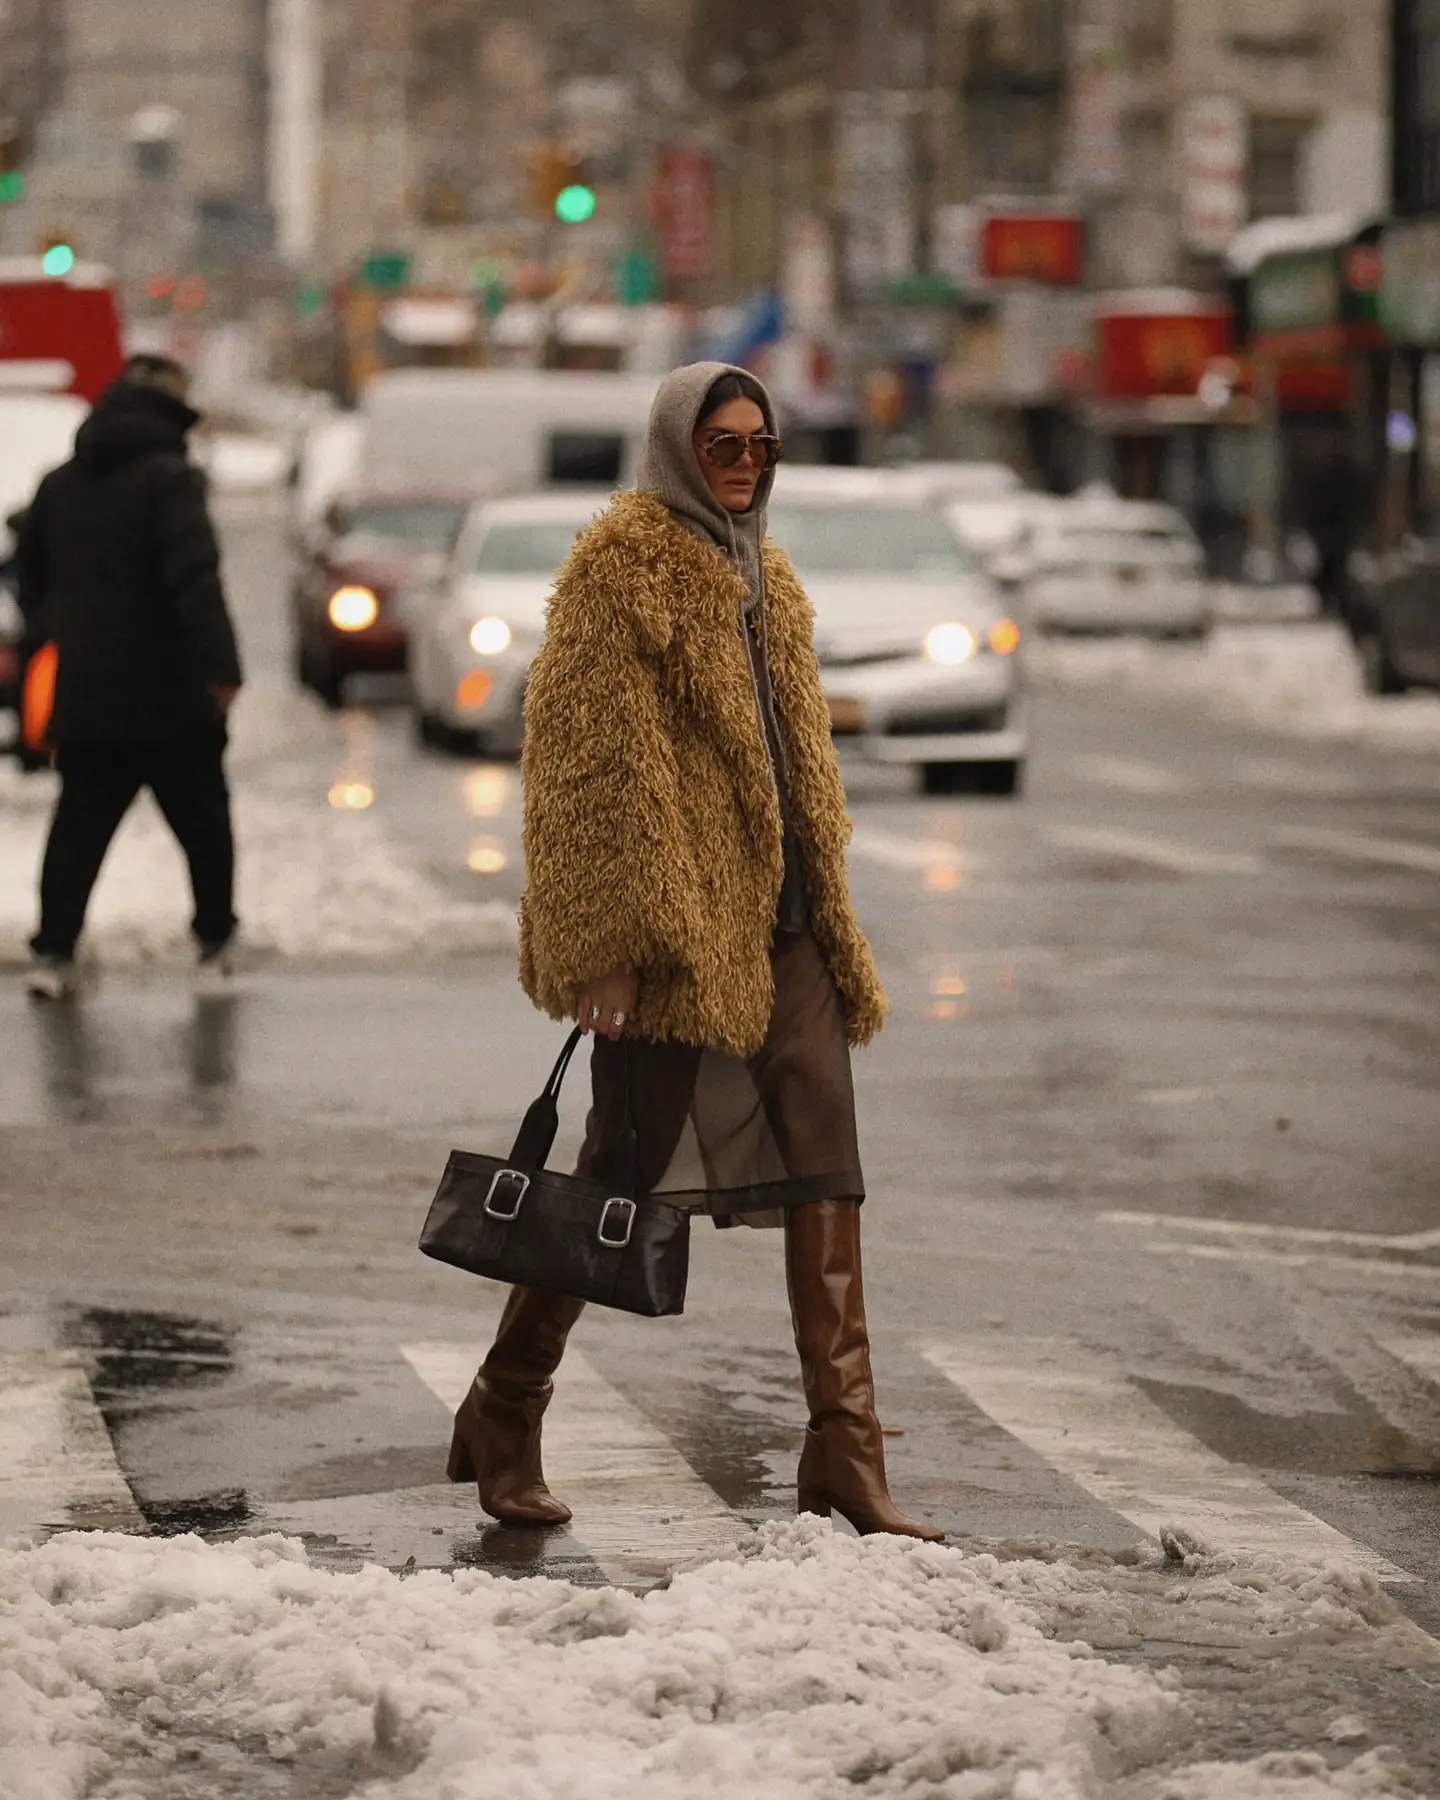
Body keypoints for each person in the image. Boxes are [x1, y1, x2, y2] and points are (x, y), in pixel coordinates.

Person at [445, 362, 943, 1541]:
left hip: (791, 931)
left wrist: (820, 904)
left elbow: (793, 767)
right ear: (678, 446)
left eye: (759, 446)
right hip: (677, 940)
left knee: (831, 1173)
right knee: (621, 1174)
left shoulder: (767, 573)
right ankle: (507, 1404)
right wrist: (611, 941)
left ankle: (845, 1453)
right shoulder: (620, 569)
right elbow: (585, 766)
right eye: (723, 444)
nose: (744, 462)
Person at [17, 353, 243, 999]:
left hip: (90, 691)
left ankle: (54, 953)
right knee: (203, 825)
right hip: (173, 693)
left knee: (78, 829)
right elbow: (195, 579)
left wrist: (63, 632)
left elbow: (30, 577)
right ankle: (215, 945)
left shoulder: (59, 483)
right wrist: (222, 667)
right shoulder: (172, 481)